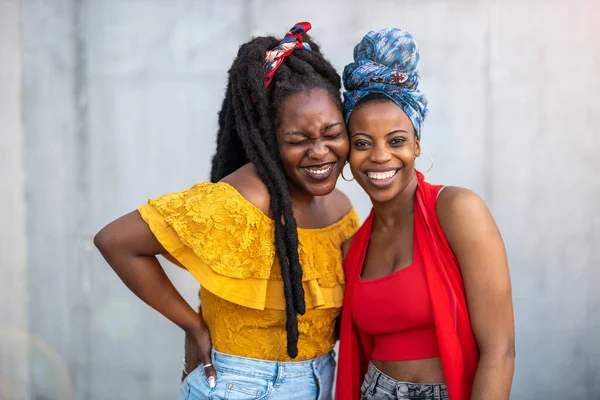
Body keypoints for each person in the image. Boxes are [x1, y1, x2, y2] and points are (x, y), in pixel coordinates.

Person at [94, 22, 358, 400]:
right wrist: (192, 325)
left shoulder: (342, 209)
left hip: (322, 379)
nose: (319, 152)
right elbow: (115, 240)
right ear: (268, 138)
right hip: (244, 386)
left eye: (332, 134)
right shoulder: (243, 199)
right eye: (298, 140)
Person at [335, 28, 515, 400]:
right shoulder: (352, 248)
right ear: (348, 156)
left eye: (396, 141)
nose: (380, 156)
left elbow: (500, 350)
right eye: (363, 143)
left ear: (417, 144)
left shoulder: (457, 211)